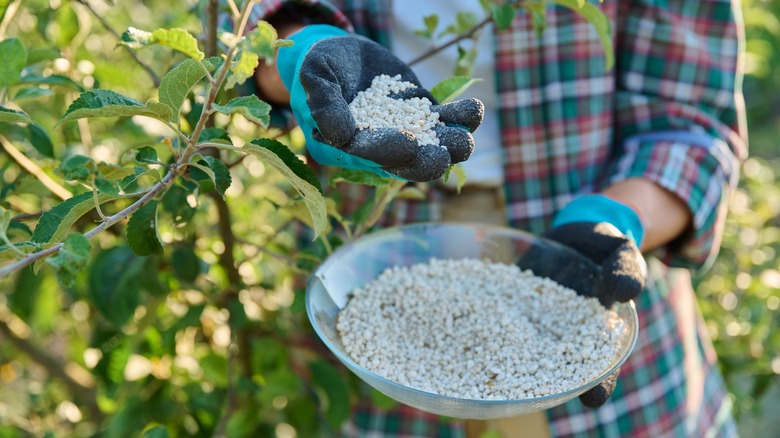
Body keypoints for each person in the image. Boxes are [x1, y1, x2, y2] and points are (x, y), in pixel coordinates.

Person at [245, 0, 747, 436]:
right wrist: (300, 54)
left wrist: (615, 216)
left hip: (581, 255)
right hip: (371, 261)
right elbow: (253, 27)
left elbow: (690, 126)